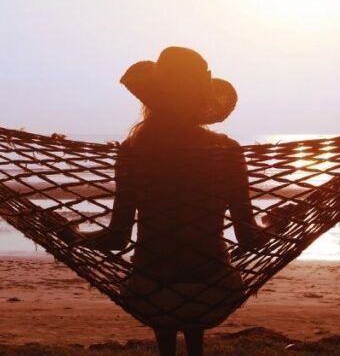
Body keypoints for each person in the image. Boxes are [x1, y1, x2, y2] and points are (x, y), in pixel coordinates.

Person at [75, 46, 268, 356]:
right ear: (201, 97)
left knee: (167, 306)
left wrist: (72, 236)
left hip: (151, 292)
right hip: (213, 291)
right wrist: (281, 222)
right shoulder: (226, 151)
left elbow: (117, 237)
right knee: (192, 307)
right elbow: (249, 238)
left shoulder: (133, 152)